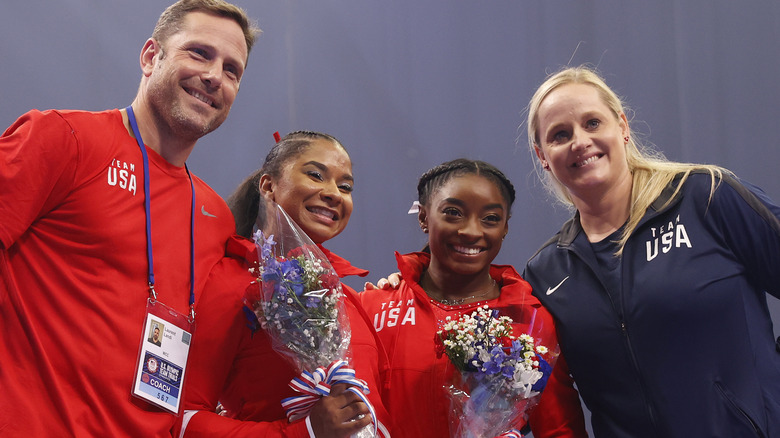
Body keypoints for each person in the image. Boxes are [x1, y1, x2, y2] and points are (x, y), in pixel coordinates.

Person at [0, 1, 259, 436]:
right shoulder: (65, 140)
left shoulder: (215, 219)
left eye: (232, 70)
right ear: (150, 57)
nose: (215, 76)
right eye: (199, 53)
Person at [524, 65, 780, 437]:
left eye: (592, 123)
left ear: (623, 127)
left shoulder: (705, 197)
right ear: (543, 155)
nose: (579, 141)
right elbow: (533, 396)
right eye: (560, 135)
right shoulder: (546, 273)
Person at [177, 131, 392, 437]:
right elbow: (180, 419)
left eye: (345, 187)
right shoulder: (225, 282)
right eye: (316, 175)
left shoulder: (348, 298)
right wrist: (303, 432)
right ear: (268, 186)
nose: (334, 193)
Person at [357, 159, 587, 438]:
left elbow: (559, 430)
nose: (471, 231)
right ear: (423, 217)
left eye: (490, 218)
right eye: (453, 213)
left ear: (505, 227)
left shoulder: (531, 320)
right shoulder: (372, 307)